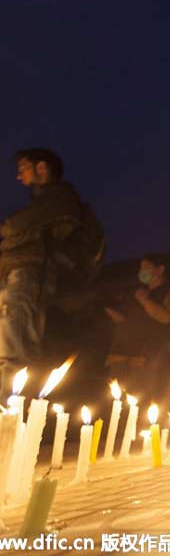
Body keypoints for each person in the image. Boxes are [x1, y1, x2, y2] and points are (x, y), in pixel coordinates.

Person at [0, 149, 83, 394]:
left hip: (27, 275)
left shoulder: (59, 198)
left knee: (16, 349)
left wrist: (10, 231)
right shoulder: (45, 202)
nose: (19, 176)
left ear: (42, 168)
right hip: (21, 274)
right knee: (12, 345)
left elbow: (12, 226)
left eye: (23, 168)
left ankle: (8, 418)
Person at [104, 254, 170, 398]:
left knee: (142, 393)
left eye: (147, 268)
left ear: (160, 269)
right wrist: (119, 318)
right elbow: (133, 318)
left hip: (147, 352)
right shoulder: (138, 291)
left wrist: (145, 301)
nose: (143, 272)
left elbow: (166, 317)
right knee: (119, 392)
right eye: (141, 269)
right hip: (124, 349)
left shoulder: (168, 291)